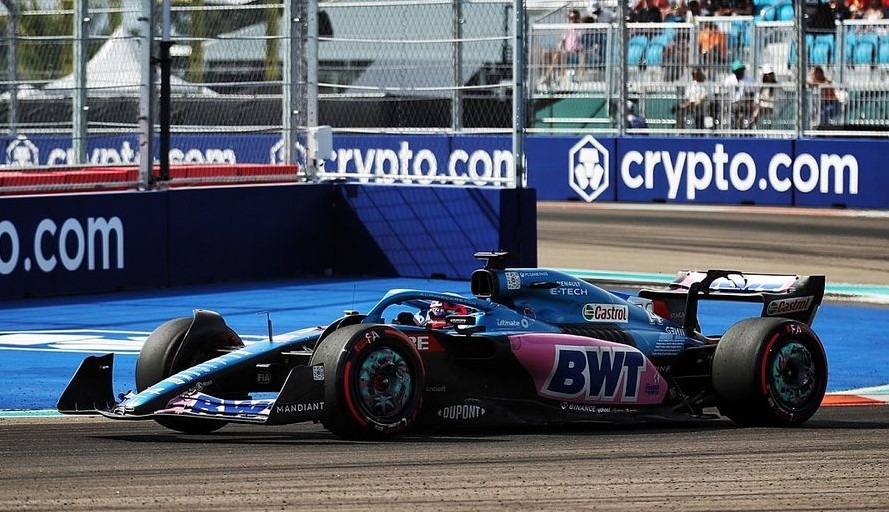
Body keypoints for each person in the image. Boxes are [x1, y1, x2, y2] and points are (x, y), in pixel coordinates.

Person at [541, 9, 583, 87]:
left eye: (573, 18)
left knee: (558, 56)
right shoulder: (568, 28)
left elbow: (581, 42)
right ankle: (550, 77)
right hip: (566, 52)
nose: (572, 20)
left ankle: (548, 78)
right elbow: (562, 41)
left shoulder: (581, 28)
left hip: (575, 52)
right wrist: (559, 48)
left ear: (577, 18)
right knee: (547, 54)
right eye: (570, 18)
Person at [725, 60, 754, 128]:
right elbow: (725, 94)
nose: (740, 72)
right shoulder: (729, 79)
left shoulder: (748, 79)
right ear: (734, 72)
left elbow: (751, 94)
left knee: (745, 110)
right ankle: (738, 127)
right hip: (731, 103)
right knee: (739, 111)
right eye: (738, 70)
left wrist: (748, 103)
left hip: (745, 103)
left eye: (741, 70)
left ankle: (741, 127)